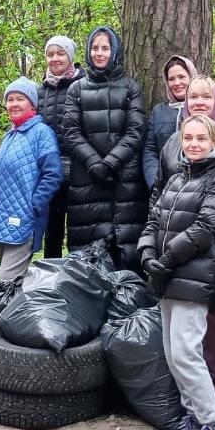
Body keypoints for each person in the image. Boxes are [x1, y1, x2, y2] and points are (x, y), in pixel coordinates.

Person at [139, 114, 215, 430]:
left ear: (214, 142)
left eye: (201, 138)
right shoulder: (177, 177)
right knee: (171, 352)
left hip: (194, 278)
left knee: (186, 352)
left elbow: (207, 226)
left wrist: (166, 259)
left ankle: (214, 427)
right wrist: (148, 253)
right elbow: (154, 217)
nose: (194, 144)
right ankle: (193, 420)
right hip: (166, 275)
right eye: (188, 138)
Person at [153, 77, 215, 410]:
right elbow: (161, 192)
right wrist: (153, 246)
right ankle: (191, 404)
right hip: (175, 248)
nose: (199, 101)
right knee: (180, 337)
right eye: (193, 96)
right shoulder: (173, 142)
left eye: (205, 96)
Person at [60, 26, 148, 267]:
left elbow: (136, 130)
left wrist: (110, 163)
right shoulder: (76, 88)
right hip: (87, 182)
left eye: (105, 48)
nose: (99, 53)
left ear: (115, 51)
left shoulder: (131, 87)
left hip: (124, 181)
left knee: (125, 254)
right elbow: (70, 131)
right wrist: (94, 164)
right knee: (87, 258)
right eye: (95, 48)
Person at [0, 78, 62, 284]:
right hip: (3, 219)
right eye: (10, 99)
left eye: (20, 98)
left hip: (24, 219)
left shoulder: (42, 134)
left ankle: (5, 317)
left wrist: (34, 204)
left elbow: (53, 174)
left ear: (32, 104)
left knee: (6, 284)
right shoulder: (9, 135)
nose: (14, 104)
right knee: (10, 287)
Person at [38, 35, 84, 258]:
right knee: (52, 232)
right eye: (50, 54)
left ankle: (76, 281)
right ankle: (49, 283)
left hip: (79, 170)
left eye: (60, 53)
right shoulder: (40, 91)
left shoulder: (84, 85)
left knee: (77, 231)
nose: (55, 59)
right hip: (50, 172)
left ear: (70, 57)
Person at [143, 54, 196, 188]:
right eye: (171, 79)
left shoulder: (203, 108)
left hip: (196, 188)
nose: (177, 83)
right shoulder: (159, 111)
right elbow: (150, 150)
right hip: (164, 187)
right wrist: (155, 182)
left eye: (182, 77)